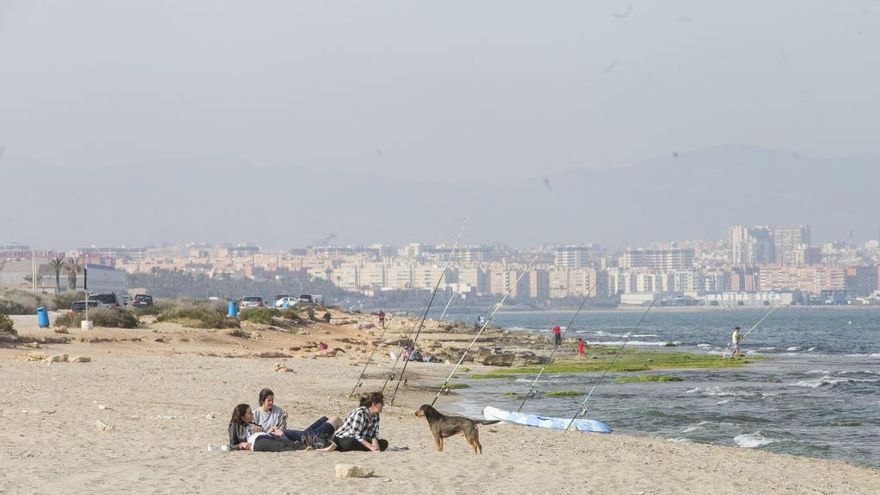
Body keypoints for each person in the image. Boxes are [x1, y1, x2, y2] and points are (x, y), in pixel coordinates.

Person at [251, 388, 341, 443]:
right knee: (306, 435)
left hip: (284, 433)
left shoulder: (277, 410)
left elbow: (283, 428)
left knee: (323, 419)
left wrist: (284, 420)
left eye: (272, 400)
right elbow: (256, 433)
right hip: (276, 437)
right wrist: (269, 431)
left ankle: (328, 426)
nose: (271, 403)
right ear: (263, 401)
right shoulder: (255, 413)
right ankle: (332, 430)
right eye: (269, 401)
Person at [227, 403, 302, 452]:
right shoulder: (234, 425)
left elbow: (262, 429)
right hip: (256, 441)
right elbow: (231, 445)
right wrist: (241, 445)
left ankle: (305, 448)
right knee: (278, 445)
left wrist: (259, 428)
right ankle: (299, 450)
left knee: (288, 442)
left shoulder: (251, 424)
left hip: (266, 435)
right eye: (249, 413)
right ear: (242, 416)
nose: (252, 414)